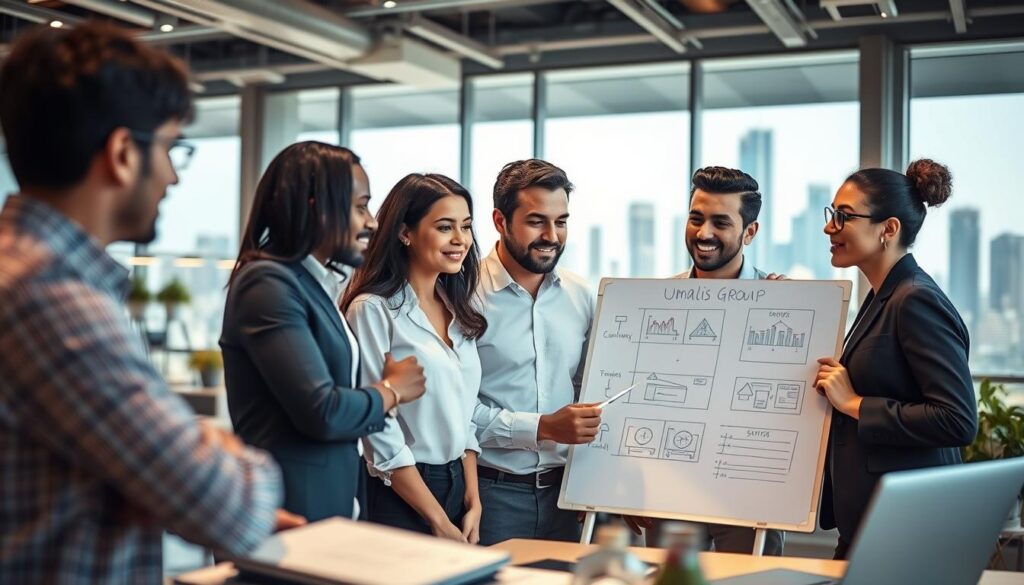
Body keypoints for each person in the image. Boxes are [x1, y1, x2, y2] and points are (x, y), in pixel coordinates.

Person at [0, 22, 287, 583]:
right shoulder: (52, 299)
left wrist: (172, 469)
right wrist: (217, 451)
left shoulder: (29, 273)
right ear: (123, 153)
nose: (174, 176)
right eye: (172, 147)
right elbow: (233, 508)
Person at [220, 142, 426, 523]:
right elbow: (323, 411)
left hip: (333, 506)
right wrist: (391, 390)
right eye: (360, 207)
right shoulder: (267, 283)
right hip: (290, 512)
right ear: (317, 208)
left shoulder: (314, 284)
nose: (372, 223)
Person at [816, 159, 977, 559]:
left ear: (888, 229)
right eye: (831, 213)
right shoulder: (882, 297)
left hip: (909, 529)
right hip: (875, 522)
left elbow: (957, 419)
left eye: (844, 216)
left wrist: (855, 404)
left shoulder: (915, 298)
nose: (829, 227)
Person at [628, 166, 785, 555]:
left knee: (754, 582)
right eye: (696, 218)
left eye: (721, 222)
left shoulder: (782, 302)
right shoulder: (655, 303)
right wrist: (629, 483)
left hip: (750, 491)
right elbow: (636, 399)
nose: (703, 233)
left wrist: (793, 314)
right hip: (670, 487)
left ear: (750, 232)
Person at [343, 173, 487, 543]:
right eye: (445, 227)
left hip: (458, 484)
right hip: (402, 492)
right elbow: (379, 431)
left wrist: (473, 499)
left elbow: (464, 413)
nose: (461, 240)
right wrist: (438, 520)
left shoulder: (458, 308)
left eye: (466, 226)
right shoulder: (373, 310)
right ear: (405, 233)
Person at [472, 159, 598, 545]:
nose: (551, 235)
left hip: (567, 497)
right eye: (536, 221)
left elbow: (590, 392)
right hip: (490, 495)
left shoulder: (582, 295)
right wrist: (543, 427)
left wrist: (592, 479)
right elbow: (454, 412)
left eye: (561, 221)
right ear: (500, 221)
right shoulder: (464, 295)